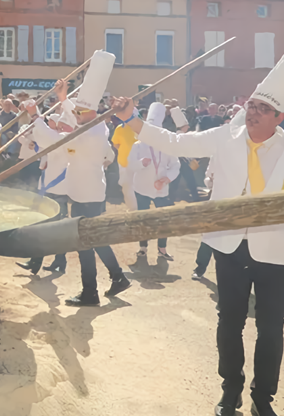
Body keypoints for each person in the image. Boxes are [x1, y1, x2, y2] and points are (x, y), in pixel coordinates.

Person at [112, 54, 284, 416]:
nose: (252, 112)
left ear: (278, 117)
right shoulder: (226, 136)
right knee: (230, 322)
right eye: (251, 105)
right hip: (229, 246)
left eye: (263, 108)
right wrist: (133, 121)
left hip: (275, 252)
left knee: (271, 329)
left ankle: (263, 397)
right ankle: (230, 390)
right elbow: (177, 143)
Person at [21, 51, 130, 307]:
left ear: (87, 112)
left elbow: (51, 140)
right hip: (88, 192)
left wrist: (36, 116)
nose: (75, 115)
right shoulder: (95, 126)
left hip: (86, 194)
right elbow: (78, 117)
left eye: (78, 112)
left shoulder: (86, 135)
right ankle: (118, 277)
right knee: (95, 240)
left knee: (84, 244)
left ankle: (90, 292)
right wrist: (63, 98)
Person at [17, 110, 74, 275]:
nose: (49, 125)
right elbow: (35, 142)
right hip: (50, 189)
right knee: (51, 228)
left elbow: (43, 138)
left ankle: (44, 261)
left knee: (52, 229)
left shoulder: (61, 140)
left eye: (51, 123)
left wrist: (36, 116)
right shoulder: (53, 140)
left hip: (58, 191)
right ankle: (52, 261)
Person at [127, 102, 181, 260]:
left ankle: (162, 249)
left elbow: (175, 165)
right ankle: (143, 247)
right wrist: (140, 164)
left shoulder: (166, 146)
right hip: (142, 188)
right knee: (143, 219)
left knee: (163, 220)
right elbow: (129, 165)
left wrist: (168, 178)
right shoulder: (137, 146)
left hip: (161, 189)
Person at [111, 111, 138, 210]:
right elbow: (116, 144)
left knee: (136, 189)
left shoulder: (140, 129)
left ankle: (137, 209)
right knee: (126, 187)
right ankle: (132, 209)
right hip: (123, 163)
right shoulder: (119, 128)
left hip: (138, 164)